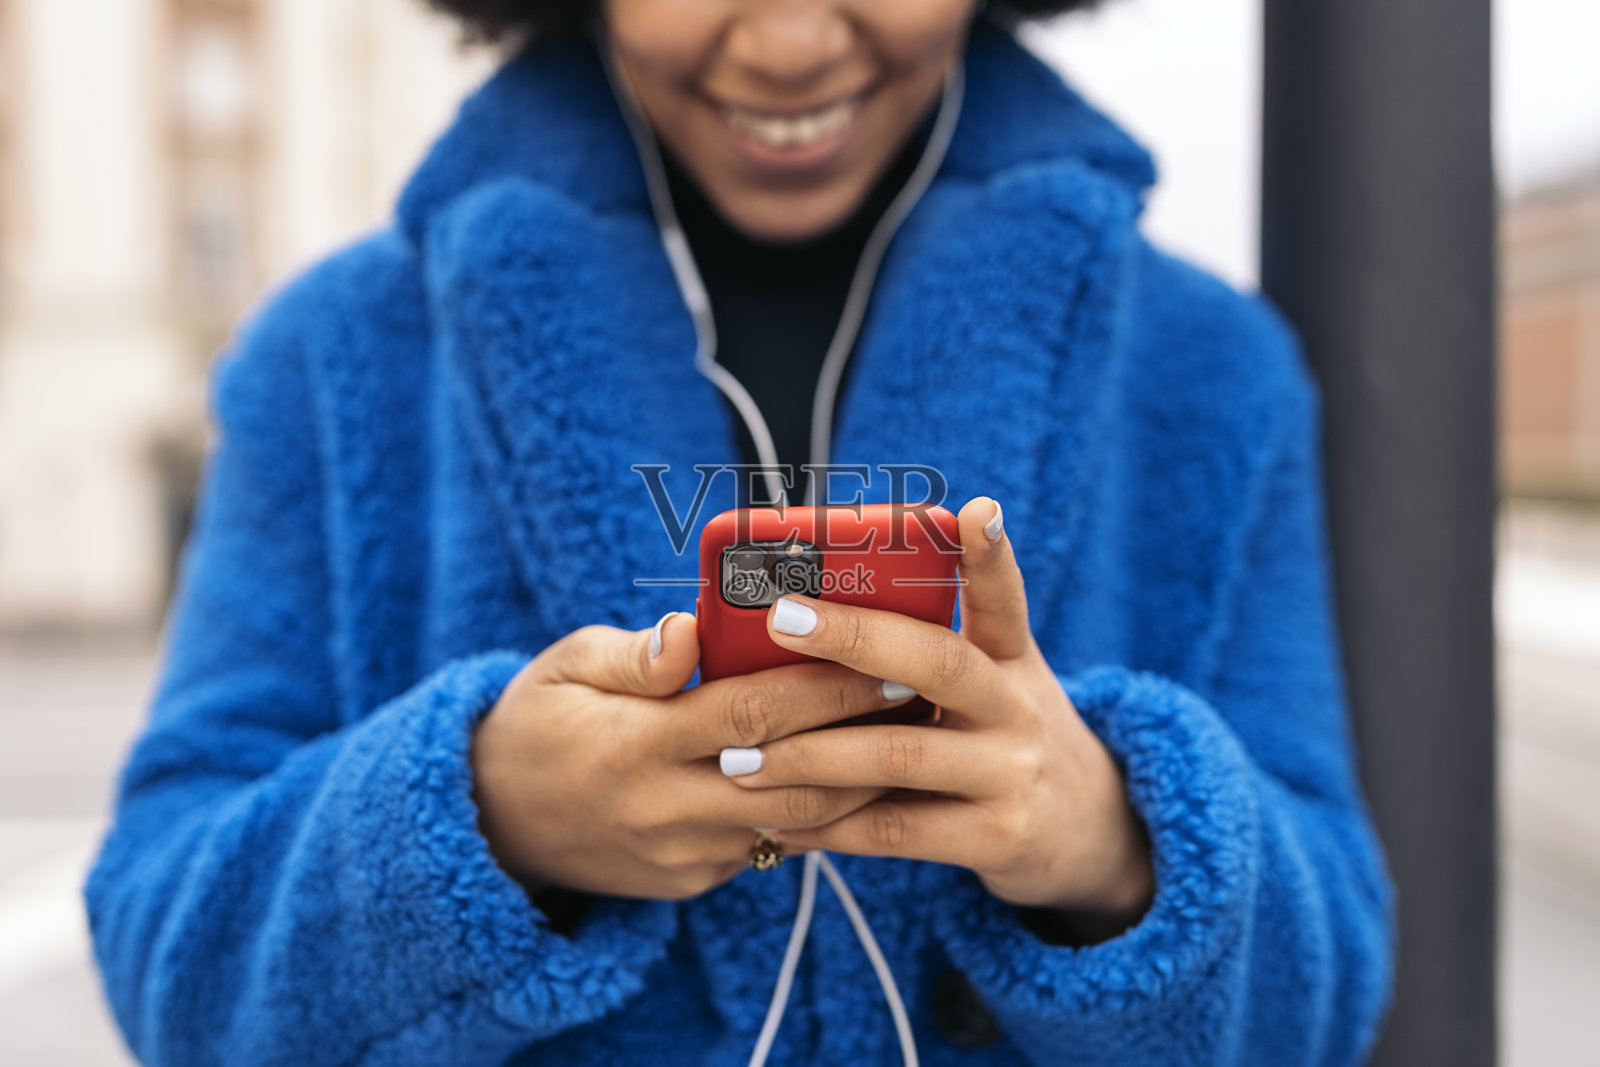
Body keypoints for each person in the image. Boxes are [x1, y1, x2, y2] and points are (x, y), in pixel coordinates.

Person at [85, 1, 1396, 1064]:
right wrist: (488, 819)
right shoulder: (333, 360)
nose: (785, 43)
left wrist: (1110, 845)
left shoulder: (1211, 371)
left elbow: (1331, 980)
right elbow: (165, 946)